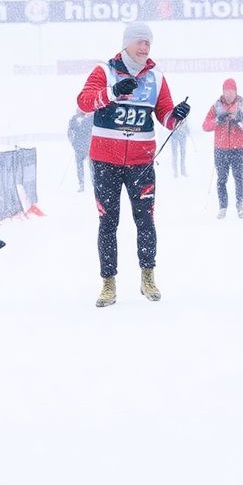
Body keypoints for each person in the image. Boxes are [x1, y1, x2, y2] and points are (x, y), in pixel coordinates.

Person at [77, 21, 190, 307]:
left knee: (145, 220)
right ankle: (108, 283)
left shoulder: (157, 78)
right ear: (126, 44)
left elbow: (166, 118)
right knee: (108, 221)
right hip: (105, 161)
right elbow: (84, 101)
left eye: (148, 42)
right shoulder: (104, 71)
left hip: (141, 162)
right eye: (140, 41)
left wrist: (177, 115)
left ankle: (148, 277)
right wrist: (112, 92)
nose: (145, 47)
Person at [202, 77, 243, 217]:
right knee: (221, 179)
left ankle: (239, 205)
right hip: (220, 149)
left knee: (238, 178)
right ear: (222, 91)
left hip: (238, 148)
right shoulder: (217, 106)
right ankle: (223, 207)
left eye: (231, 91)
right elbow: (205, 126)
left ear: (236, 91)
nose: (229, 94)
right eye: (226, 91)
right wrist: (218, 120)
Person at [67, 107, 94, 191]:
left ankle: (94, 184)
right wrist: (73, 143)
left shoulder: (90, 119)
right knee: (79, 167)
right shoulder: (73, 120)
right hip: (78, 147)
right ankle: (81, 184)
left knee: (92, 166)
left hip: (89, 147)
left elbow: (92, 131)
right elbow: (70, 133)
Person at [169, 112, 190, 177]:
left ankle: (182, 170)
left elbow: (186, 123)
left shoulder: (184, 114)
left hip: (182, 135)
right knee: (175, 154)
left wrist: (187, 130)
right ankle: (175, 171)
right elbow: (170, 124)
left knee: (182, 153)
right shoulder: (173, 114)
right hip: (174, 135)